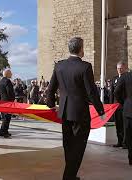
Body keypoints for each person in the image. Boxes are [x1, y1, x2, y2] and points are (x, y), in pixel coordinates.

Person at [46, 37, 105, 180]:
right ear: (80, 49)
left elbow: (50, 89)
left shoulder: (59, 66)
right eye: (83, 47)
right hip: (80, 114)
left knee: (68, 145)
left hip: (65, 112)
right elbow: (91, 92)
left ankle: (71, 175)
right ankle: (69, 176)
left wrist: (51, 105)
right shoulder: (85, 67)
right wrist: (101, 111)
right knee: (78, 146)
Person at [114, 69, 132, 166]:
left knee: (129, 134)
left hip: (128, 108)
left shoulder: (125, 76)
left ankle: (131, 157)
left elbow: (116, 92)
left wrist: (124, 102)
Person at [110, 61, 128, 148]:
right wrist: (111, 105)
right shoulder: (114, 78)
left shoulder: (128, 78)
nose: (119, 70)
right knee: (118, 124)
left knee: (125, 125)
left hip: (124, 105)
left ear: (125, 68)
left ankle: (125, 143)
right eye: (118, 68)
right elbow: (111, 93)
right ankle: (119, 141)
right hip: (116, 106)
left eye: (121, 68)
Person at [0, 69, 15, 138]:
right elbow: (10, 92)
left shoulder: (0, 82)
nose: (11, 74)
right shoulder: (7, 81)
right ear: (7, 73)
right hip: (8, 102)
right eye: (10, 73)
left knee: (4, 117)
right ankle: (4, 132)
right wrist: (13, 99)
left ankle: (2, 131)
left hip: (2, 102)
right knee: (7, 118)